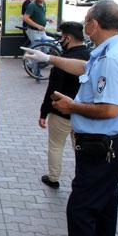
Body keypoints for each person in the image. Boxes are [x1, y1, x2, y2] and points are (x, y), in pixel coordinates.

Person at [22, 0, 118, 236]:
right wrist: (49, 59)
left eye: (87, 20)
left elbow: (110, 108)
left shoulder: (113, 59)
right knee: (104, 206)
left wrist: (73, 107)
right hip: (104, 147)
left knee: (80, 208)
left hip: (103, 147)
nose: (84, 25)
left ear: (94, 24)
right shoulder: (108, 51)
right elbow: (84, 68)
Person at [37, 22, 90, 189]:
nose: (60, 40)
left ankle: (53, 178)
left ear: (68, 38)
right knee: (81, 149)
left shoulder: (63, 61)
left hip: (61, 113)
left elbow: (53, 89)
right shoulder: (92, 57)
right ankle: (83, 178)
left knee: (56, 145)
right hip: (85, 113)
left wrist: (44, 113)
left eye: (61, 37)